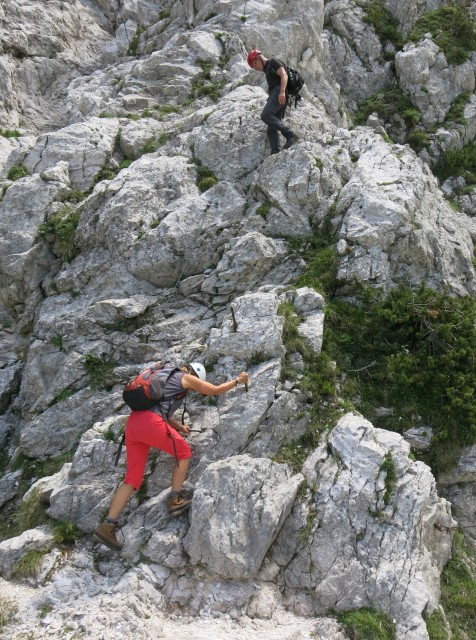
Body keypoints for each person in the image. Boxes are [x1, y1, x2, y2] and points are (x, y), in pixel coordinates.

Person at [94, 362, 250, 551]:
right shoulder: (186, 378)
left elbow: (161, 412)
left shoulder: (162, 378)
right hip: (151, 424)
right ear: (194, 374)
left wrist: (179, 428)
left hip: (133, 424)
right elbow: (215, 391)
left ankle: (108, 525)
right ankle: (175, 498)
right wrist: (237, 381)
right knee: (183, 452)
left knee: (132, 478)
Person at [247, 49, 299, 155]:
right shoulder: (267, 70)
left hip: (279, 94)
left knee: (265, 115)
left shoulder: (273, 62)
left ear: (258, 58)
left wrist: (282, 92)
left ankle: (290, 134)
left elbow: (284, 75)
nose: (255, 68)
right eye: (253, 67)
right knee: (271, 128)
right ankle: (275, 151)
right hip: (278, 96)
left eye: (255, 64)